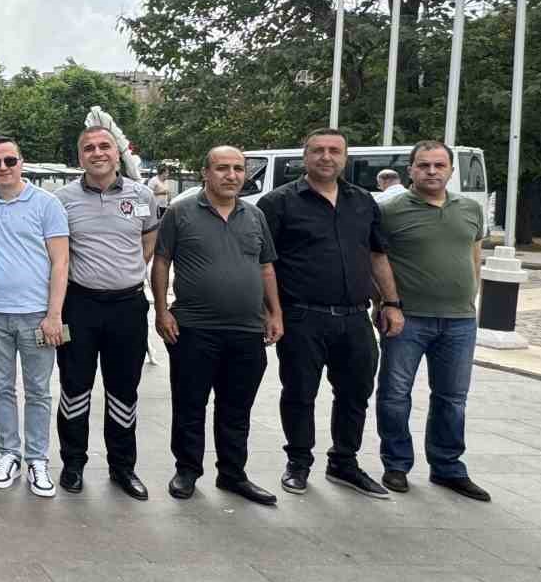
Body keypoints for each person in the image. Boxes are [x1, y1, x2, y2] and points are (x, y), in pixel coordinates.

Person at [257, 128, 403, 498]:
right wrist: (269, 312)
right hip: (303, 316)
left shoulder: (363, 202)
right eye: (318, 150)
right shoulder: (279, 203)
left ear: (345, 157)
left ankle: (344, 461)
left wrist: (391, 302)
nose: (326, 157)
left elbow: (376, 255)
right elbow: (260, 262)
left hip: (355, 318)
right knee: (300, 392)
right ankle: (299, 462)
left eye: (334, 150)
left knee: (355, 392)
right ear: (304, 158)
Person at [152, 147, 284, 506]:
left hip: (246, 330)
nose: (231, 175)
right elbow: (162, 262)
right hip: (194, 328)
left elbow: (266, 267)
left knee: (237, 407)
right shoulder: (181, 213)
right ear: (205, 173)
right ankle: (187, 470)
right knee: (190, 404)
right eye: (222, 168)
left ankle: (232, 473)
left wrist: (275, 314)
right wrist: (162, 311)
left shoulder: (255, 216)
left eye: (238, 169)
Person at [376, 141, 490, 502]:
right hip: (407, 319)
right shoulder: (390, 211)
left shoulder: (470, 209)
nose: (431, 171)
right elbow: (376, 260)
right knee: (395, 395)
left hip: (459, 322)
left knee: (453, 398)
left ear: (451, 171)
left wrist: (471, 297)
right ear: (409, 170)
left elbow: (475, 254)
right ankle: (396, 464)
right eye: (423, 165)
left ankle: (448, 467)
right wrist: (385, 304)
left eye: (439, 165)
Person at [53, 127, 159, 500]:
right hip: (78, 307)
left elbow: (149, 239)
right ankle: (73, 463)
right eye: (88, 148)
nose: (97, 153)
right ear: (79, 156)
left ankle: (122, 467)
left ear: (117, 152)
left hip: (128, 308)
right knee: (74, 387)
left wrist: (126, 271)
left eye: (104, 146)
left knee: (123, 391)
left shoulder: (141, 195)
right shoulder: (61, 199)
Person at [0, 137, 68, 495]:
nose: (3, 168)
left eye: (9, 160)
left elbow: (61, 262)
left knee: (37, 391)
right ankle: (8, 455)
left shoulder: (47, 204)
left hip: (37, 316)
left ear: (22, 162)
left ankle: (37, 460)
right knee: (0, 388)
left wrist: (54, 314)